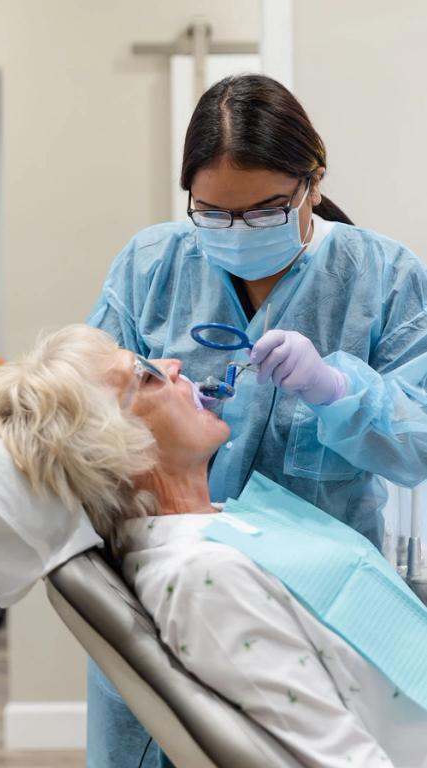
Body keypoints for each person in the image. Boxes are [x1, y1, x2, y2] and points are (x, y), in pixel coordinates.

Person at [86, 72, 427, 768]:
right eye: (211, 213)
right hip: (168, 585)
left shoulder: (384, 277)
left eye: (264, 210)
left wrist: (337, 391)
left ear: (312, 182)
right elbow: (86, 409)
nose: (235, 232)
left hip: (309, 600)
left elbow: (417, 443)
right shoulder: (152, 263)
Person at [0, 324, 427, 768]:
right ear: (113, 446)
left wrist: (335, 389)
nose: (174, 364)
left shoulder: (214, 523)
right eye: (147, 375)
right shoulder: (202, 580)